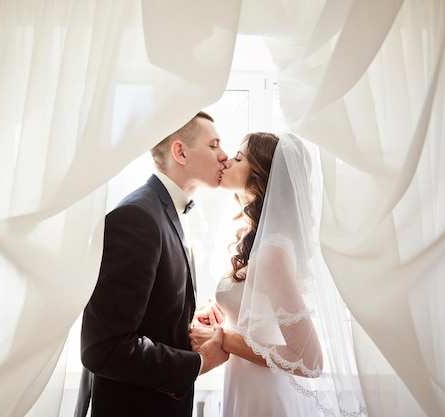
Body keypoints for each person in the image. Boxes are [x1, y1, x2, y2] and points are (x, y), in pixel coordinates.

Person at [79, 111, 230, 417]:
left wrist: (184, 320)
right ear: (181, 151)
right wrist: (199, 363)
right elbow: (105, 347)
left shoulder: (162, 213)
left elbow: (144, 312)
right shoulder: (138, 218)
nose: (224, 156)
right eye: (214, 145)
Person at [190, 132, 325, 417]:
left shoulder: (273, 249)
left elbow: (309, 360)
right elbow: (260, 315)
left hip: (267, 397)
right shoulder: (260, 240)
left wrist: (222, 337)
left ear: (261, 175)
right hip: (247, 385)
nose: (226, 160)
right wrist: (222, 315)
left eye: (239, 158)